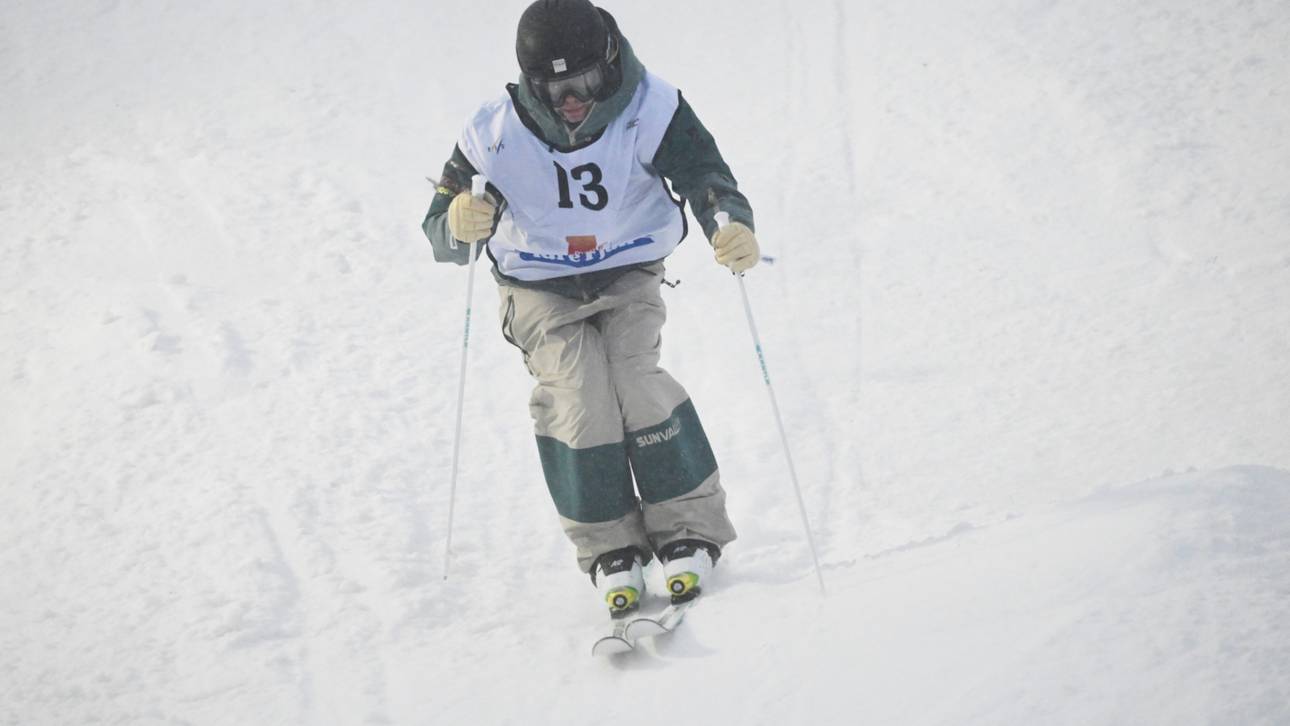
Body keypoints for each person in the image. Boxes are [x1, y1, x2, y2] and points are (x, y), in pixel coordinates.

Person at [421, 0, 760, 620]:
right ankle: (609, 546)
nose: (571, 102)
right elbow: (442, 229)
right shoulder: (495, 131)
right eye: (553, 89)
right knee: (578, 393)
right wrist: (458, 222)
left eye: (582, 84)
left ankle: (689, 525)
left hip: (627, 272)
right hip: (539, 287)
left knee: (634, 377)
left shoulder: (652, 108)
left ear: (609, 65)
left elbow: (707, 176)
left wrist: (729, 223)